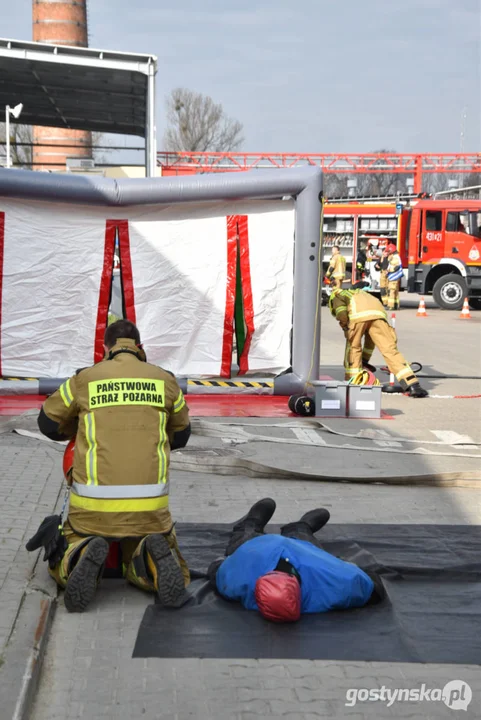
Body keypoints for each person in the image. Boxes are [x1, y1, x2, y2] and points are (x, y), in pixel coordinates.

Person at [31, 319, 192, 612]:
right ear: (139, 348)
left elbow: (46, 423)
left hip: (92, 512)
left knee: (68, 543)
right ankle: (149, 563)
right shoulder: (165, 380)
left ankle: (78, 555)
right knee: (152, 541)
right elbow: (181, 435)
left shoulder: (85, 379)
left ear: (106, 348)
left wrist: (77, 428)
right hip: (150, 512)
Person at [207, 499, 384, 622]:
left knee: (243, 538)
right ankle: (300, 527)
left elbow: (217, 568)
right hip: (304, 553)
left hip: (256, 549)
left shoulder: (238, 581)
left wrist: (224, 560)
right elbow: (374, 587)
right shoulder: (335, 584)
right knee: (304, 540)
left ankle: (250, 524)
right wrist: (343, 564)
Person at [329, 288, 428, 397]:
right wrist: (364, 360)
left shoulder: (336, 296)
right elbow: (370, 341)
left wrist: (345, 327)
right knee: (390, 351)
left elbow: (341, 313)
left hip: (357, 315)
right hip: (379, 315)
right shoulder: (361, 293)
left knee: (353, 347)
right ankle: (413, 385)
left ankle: (352, 382)